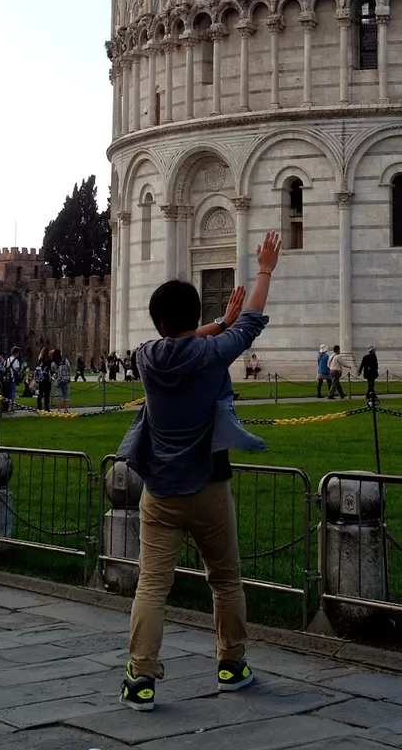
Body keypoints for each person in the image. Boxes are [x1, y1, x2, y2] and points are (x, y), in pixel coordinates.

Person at [121, 230, 282, 711]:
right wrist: (265, 270)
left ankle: (141, 678)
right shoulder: (214, 356)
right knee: (225, 580)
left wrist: (215, 321)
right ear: (192, 318)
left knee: (152, 584)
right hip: (210, 486)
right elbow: (250, 324)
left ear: (157, 321)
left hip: (160, 492)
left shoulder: (146, 358)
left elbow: (181, 339)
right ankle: (232, 665)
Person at [34, 348, 52, 412]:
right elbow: (50, 369)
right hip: (46, 377)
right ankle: (46, 407)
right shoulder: (48, 360)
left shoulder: (40, 359)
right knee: (47, 393)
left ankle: (39, 406)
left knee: (40, 393)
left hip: (40, 378)